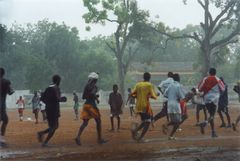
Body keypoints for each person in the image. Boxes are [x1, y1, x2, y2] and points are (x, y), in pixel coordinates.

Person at [75, 72, 107, 146]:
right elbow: (92, 93)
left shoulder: (86, 86)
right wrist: (96, 97)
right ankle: (99, 139)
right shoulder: (94, 86)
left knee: (85, 122)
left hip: (86, 105)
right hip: (92, 105)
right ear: (95, 80)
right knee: (98, 121)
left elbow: (83, 97)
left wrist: (94, 96)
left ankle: (78, 136)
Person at [37, 75, 67, 147]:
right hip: (54, 109)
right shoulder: (56, 88)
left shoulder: (48, 88)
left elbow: (42, 99)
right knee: (54, 126)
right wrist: (62, 99)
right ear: (58, 81)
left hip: (48, 109)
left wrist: (48, 103)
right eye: (60, 81)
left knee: (53, 126)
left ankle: (41, 133)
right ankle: (45, 142)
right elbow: (57, 98)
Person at [198, 68, 225, 138]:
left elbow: (199, 88)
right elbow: (223, 89)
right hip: (215, 99)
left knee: (211, 115)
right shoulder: (218, 79)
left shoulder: (205, 79)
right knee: (212, 115)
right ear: (215, 73)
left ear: (209, 72)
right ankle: (205, 123)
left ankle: (213, 132)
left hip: (206, 99)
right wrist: (219, 94)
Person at [131, 72, 158, 142]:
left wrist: (139, 96)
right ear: (149, 78)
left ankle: (135, 131)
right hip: (145, 105)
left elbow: (132, 94)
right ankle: (140, 138)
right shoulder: (149, 85)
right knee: (148, 122)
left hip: (138, 105)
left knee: (144, 121)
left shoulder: (138, 84)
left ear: (143, 77)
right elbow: (154, 96)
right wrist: (156, 94)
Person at [162, 73, 185, 140]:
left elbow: (165, 94)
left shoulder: (170, 85)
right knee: (178, 121)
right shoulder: (179, 86)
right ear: (178, 78)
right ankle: (170, 133)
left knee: (174, 121)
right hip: (176, 104)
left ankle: (170, 133)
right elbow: (182, 97)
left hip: (169, 104)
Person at [0, 67, 14, 147]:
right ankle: (1, 140)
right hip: (1, 105)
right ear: (3, 73)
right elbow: (10, 92)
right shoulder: (5, 81)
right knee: (5, 120)